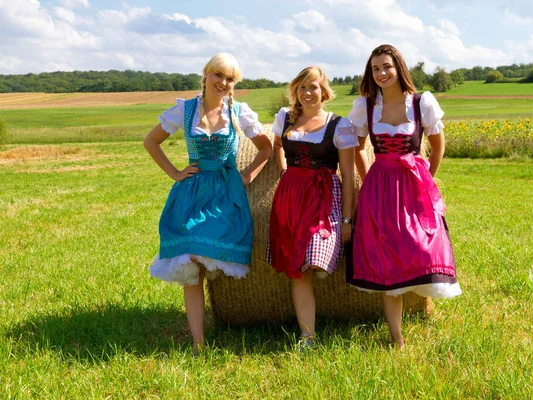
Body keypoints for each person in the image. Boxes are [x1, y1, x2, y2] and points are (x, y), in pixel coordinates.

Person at [143, 53, 272, 354]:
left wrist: (248, 174)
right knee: (190, 266)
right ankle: (199, 343)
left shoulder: (239, 111)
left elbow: (266, 148)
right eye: (218, 75)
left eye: (230, 79)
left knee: (203, 257)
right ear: (206, 74)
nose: (223, 83)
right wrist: (175, 173)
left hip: (226, 196)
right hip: (191, 195)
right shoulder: (185, 110)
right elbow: (151, 142)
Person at [347, 44, 462, 348]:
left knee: (423, 246)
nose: (381, 73)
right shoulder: (367, 106)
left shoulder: (422, 102)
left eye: (386, 66)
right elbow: (358, 148)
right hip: (379, 185)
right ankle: (396, 337)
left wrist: (426, 178)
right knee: (385, 255)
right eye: (375, 69)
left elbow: (438, 147)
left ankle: (422, 305)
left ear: (398, 67)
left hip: (413, 184)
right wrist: (367, 174)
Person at [267, 66, 356, 349]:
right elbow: (277, 145)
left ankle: (321, 262)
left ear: (324, 91)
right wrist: (282, 169)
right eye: (302, 87)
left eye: (313, 87)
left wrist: (346, 220)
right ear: (296, 90)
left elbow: (349, 175)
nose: (307, 92)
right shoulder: (285, 118)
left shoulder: (339, 125)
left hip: (324, 195)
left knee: (315, 251)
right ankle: (308, 337)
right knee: (298, 270)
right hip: (290, 196)